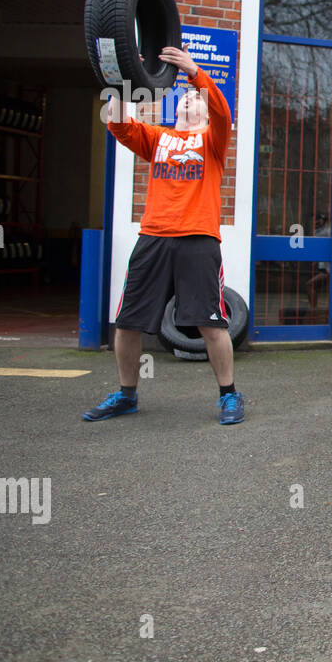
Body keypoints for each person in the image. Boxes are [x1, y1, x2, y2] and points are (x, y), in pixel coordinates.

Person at [82, 46, 244, 425]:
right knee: (127, 321)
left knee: (211, 323)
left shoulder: (212, 141)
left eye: (195, 98)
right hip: (153, 237)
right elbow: (118, 125)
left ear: (204, 111)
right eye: (184, 96)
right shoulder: (158, 139)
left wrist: (193, 72)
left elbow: (223, 111)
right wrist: (124, 77)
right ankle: (126, 395)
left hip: (198, 240)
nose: (189, 99)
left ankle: (229, 395)